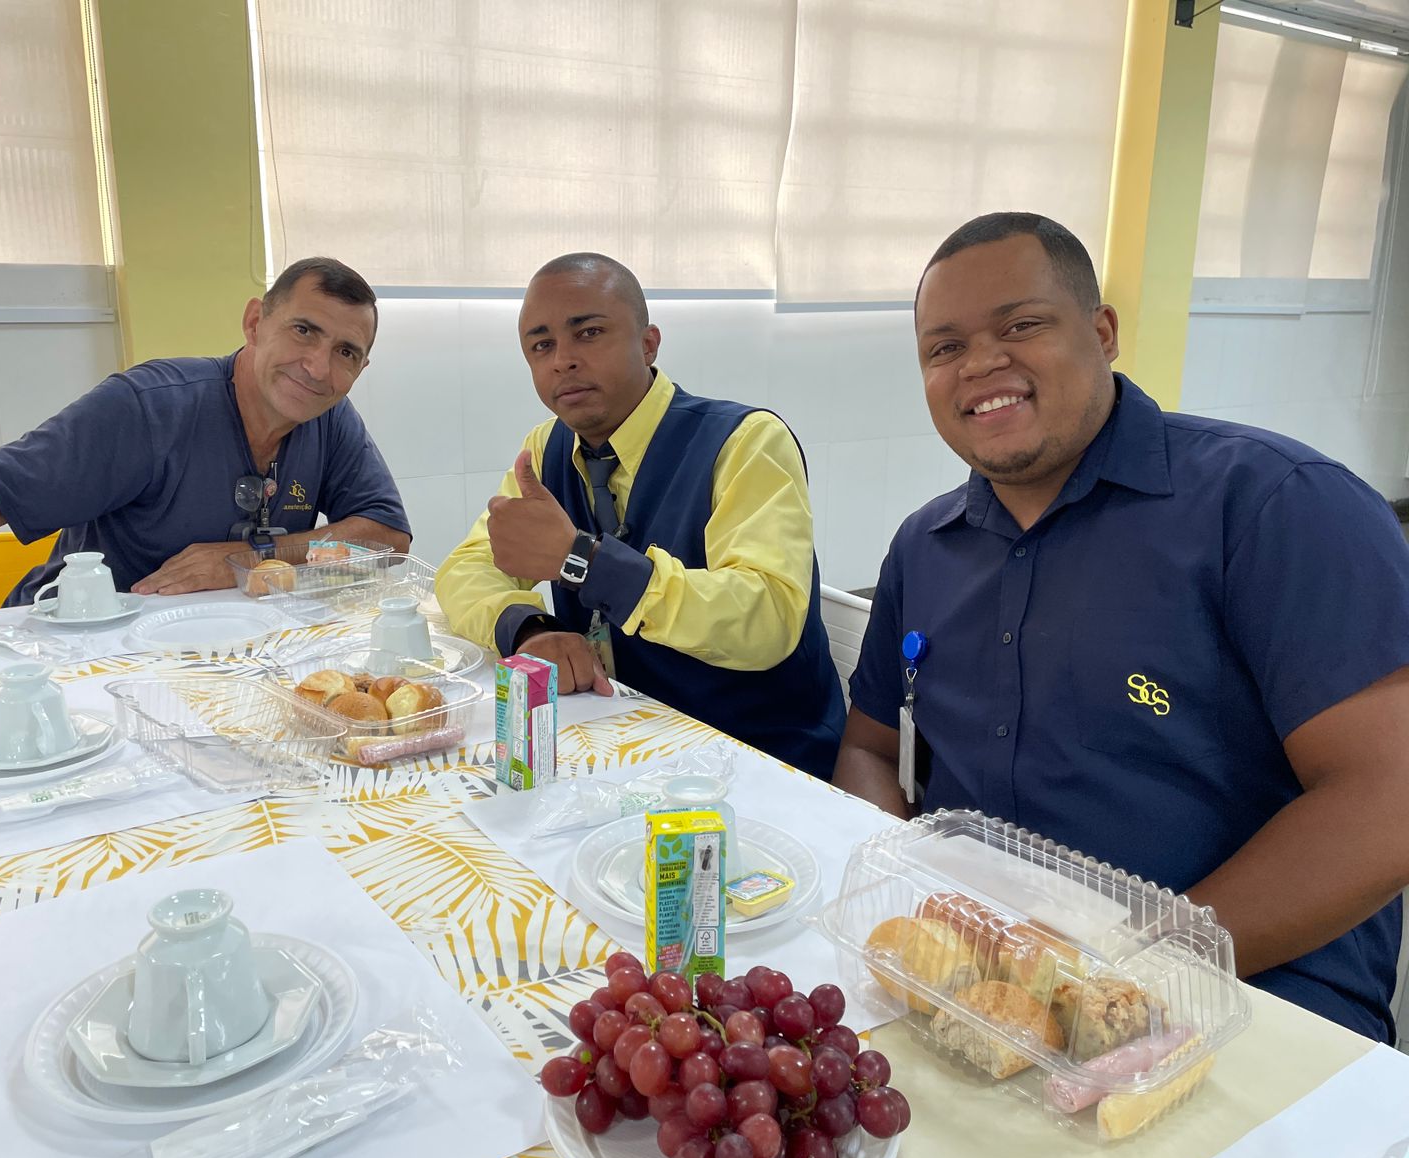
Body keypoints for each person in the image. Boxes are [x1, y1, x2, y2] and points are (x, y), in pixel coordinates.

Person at [833, 211, 1409, 1040]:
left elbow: (1387, 797)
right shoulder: (925, 547)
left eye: (1020, 326)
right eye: (944, 347)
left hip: (1251, 1001)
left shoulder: (1274, 506)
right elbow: (870, 748)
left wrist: (1125, 971)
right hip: (982, 992)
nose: (981, 364)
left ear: (1102, 333)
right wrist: (899, 888)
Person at [0, 257, 411, 677]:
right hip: (81, 656)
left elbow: (387, 536)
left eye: (345, 352)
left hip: (231, 663)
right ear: (255, 323)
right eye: (303, 331)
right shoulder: (149, 408)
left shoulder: (330, 418)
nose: (318, 367)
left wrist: (254, 558)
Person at [436, 253, 846, 778]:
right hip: (617, 744)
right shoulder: (546, 450)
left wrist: (584, 561)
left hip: (757, 758)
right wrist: (529, 627)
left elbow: (767, 616)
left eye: (588, 333)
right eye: (541, 346)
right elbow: (467, 567)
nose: (562, 360)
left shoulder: (744, 442)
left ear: (648, 343)